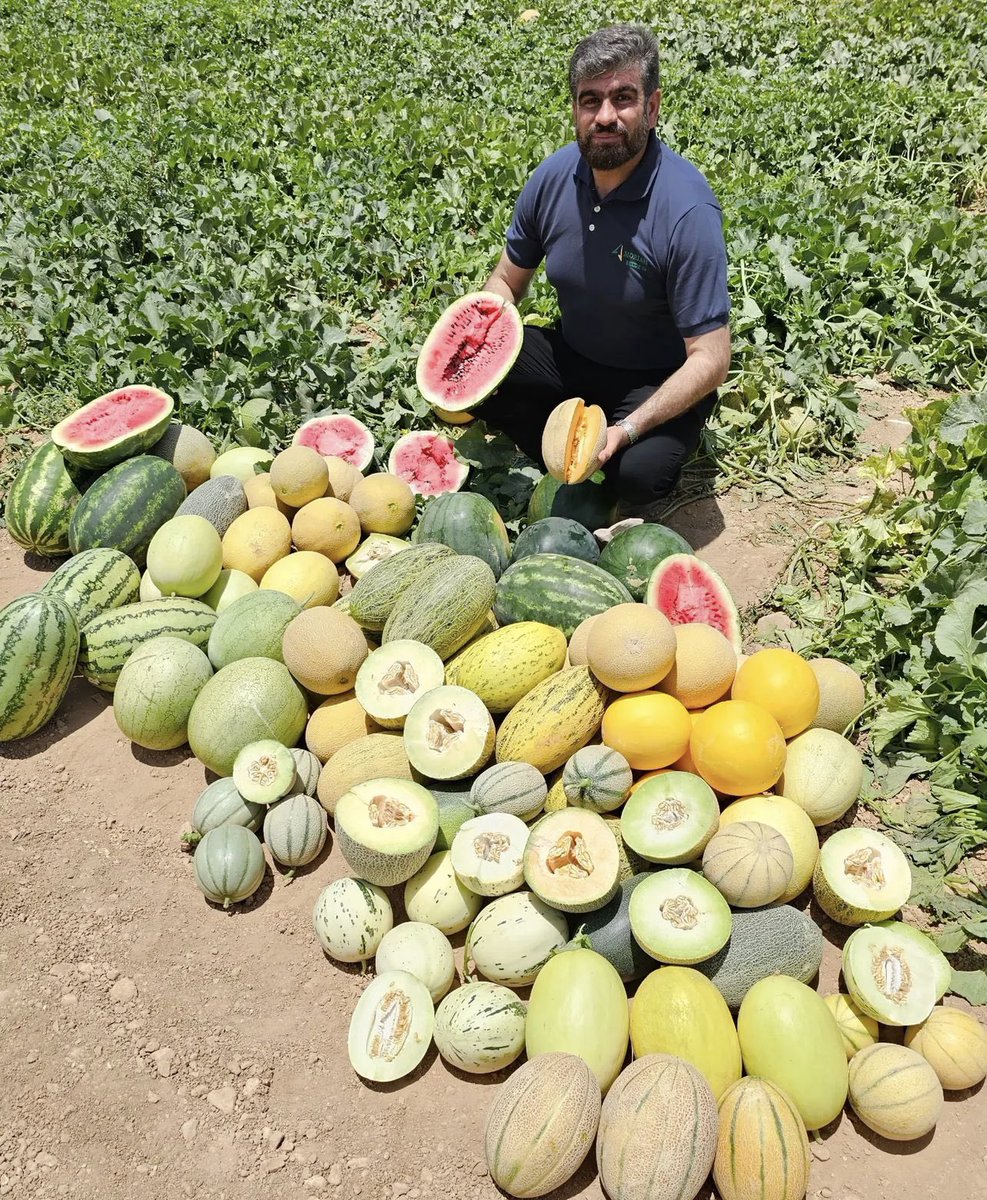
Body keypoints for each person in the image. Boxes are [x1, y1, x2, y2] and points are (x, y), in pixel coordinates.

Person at [476, 23, 731, 521]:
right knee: (484, 376)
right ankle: (567, 445)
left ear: (652, 108)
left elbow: (711, 359)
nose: (605, 116)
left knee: (641, 475)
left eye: (623, 98)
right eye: (590, 100)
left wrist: (628, 429)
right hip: (574, 356)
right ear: (575, 109)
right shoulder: (552, 178)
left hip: (655, 380)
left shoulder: (687, 209)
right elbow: (507, 281)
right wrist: (482, 336)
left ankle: (607, 445)